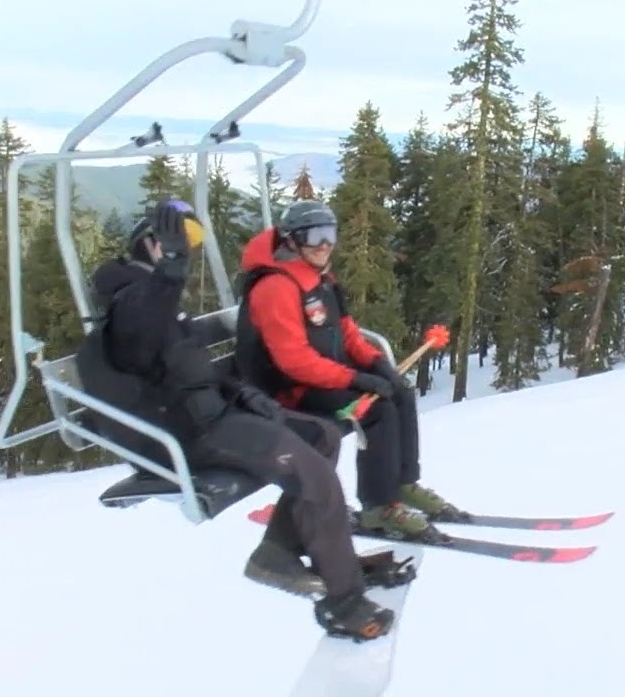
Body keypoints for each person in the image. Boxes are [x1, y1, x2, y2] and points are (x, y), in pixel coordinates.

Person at [81, 199, 412, 641]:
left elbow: (193, 368)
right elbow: (139, 344)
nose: (183, 250)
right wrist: (170, 273)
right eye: (172, 241)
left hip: (217, 414)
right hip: (189, 434)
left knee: (322, 436)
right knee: (313, 475)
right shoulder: (129, 305)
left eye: (188, 244)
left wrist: (243, 392)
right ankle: (343, 599)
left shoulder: (162, 305)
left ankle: (277, 552)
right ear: (146, 246)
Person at [233, 200, 465, 541]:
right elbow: (292, 360)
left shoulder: (319, 277)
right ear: (292, 240)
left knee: (398, 391)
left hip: (321, 377)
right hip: (289, 391)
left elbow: (346, 332)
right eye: (314, 236)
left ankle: (402, 484)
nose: (324, 244)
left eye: (330, 234)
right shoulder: (276, 287)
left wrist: (376, 363)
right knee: (375, 409)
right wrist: (355, 378)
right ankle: (378, 507)